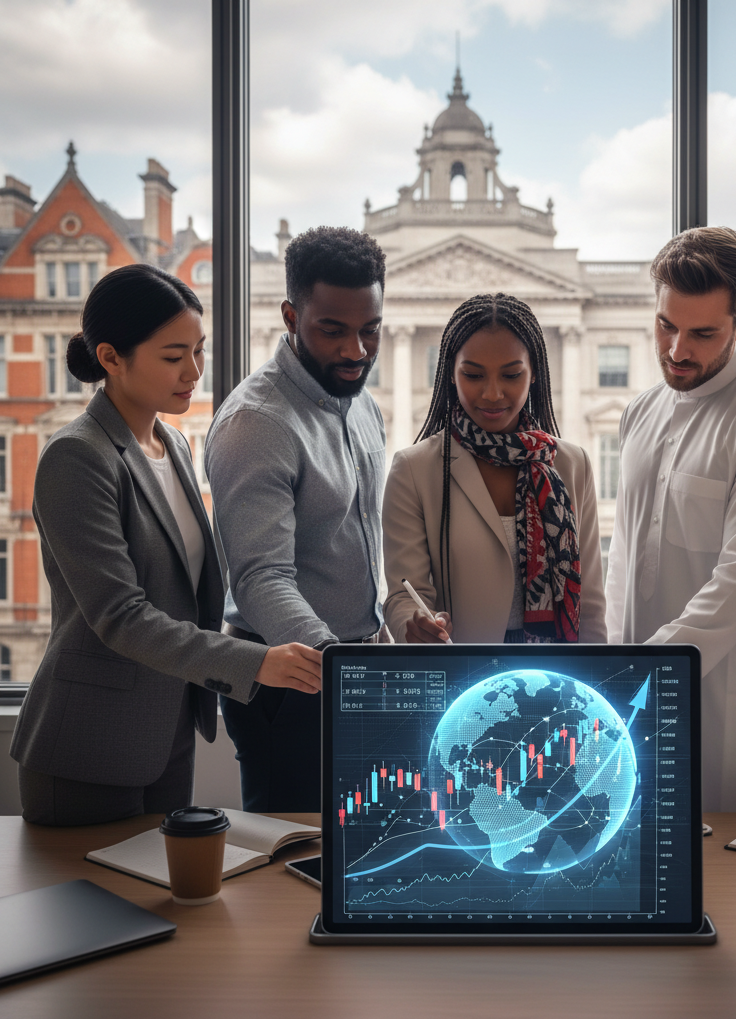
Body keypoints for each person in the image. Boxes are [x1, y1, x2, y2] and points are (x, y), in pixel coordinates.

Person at [9, 264, 322, 827]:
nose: (195, 371)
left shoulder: (173, 443)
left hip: (168, 729)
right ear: (111, 358)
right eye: (174, 356)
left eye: (199, 351)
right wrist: (256, 663)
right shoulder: (77, 456)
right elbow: (120, 616)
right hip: (89, 741)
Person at [604, 227, 736, 812]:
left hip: (733, 695)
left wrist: (648, 667)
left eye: (702, 334)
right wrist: (613, 662)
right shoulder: (638, 412)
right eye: (665, 325)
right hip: (635, 690)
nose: (677, 350)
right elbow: (622, 558)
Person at [205, 226, 387, 813]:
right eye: (332, 330)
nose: (356, 350)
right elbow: (260, 579)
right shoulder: (256, 423)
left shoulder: (362, 402)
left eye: (370, 329)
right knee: (293, 857)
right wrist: (341, 667)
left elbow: (357, 538)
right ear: (290, 316)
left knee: (362, 851)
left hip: (351, 666)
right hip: (289, 686)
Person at [383, 293, 606, 644]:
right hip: (461, 666)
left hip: (557, 669)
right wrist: (414, 625)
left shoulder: (572, 464)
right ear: (451, 374)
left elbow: (589, 604)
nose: (492, 393)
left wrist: (596, 673)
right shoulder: (413, 469)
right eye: (473, 375)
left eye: (511, 375)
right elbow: (402, 594)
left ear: (534, 373)